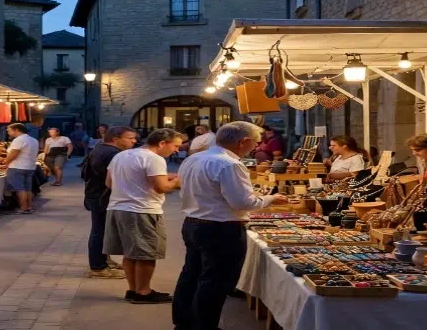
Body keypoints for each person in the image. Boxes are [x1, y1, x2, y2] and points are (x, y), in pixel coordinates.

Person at [173, 122, 289, 330]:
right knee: (215, 281)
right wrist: (270, 199)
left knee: (191, 274)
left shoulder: (193, 158)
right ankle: (204, 326)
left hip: (193, 223)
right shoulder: (229, 164)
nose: (255, 147)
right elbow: (243, 202)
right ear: (243, 141)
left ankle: (184, 321)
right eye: (254, 142)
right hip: (220, 229)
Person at [104, 128, 186, 304]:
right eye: (176, 145)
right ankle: (144, 291)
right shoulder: (154, 158)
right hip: (142, 210)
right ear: (162, 143)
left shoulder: (121, 155)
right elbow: (161, 187)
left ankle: (133, 289)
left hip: (118, 208)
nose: (177, 150)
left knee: (130, 253)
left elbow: (109, 182)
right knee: (146, 253)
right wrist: (179, 180)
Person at [81, 126, 138, 280]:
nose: (134, 141)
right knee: (99, 231)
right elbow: (113, 179)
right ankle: (98, 267)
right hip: (103, 197)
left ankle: (103, 260)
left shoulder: (101, 148)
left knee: (102, 231)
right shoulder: (112, 153)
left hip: (97, 195)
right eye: (130, 137)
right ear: (116, 139)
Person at [3, 123, 41, 214]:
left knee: (20, 188)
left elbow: (14, 154)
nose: (8, 133)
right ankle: (29, 207)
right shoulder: (34, 140)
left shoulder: (19, 140)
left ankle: (23, 208)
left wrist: (6, 163)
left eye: (9, 130)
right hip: (30, 167)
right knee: (28, 188)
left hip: (17, 166)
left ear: (16, 130)